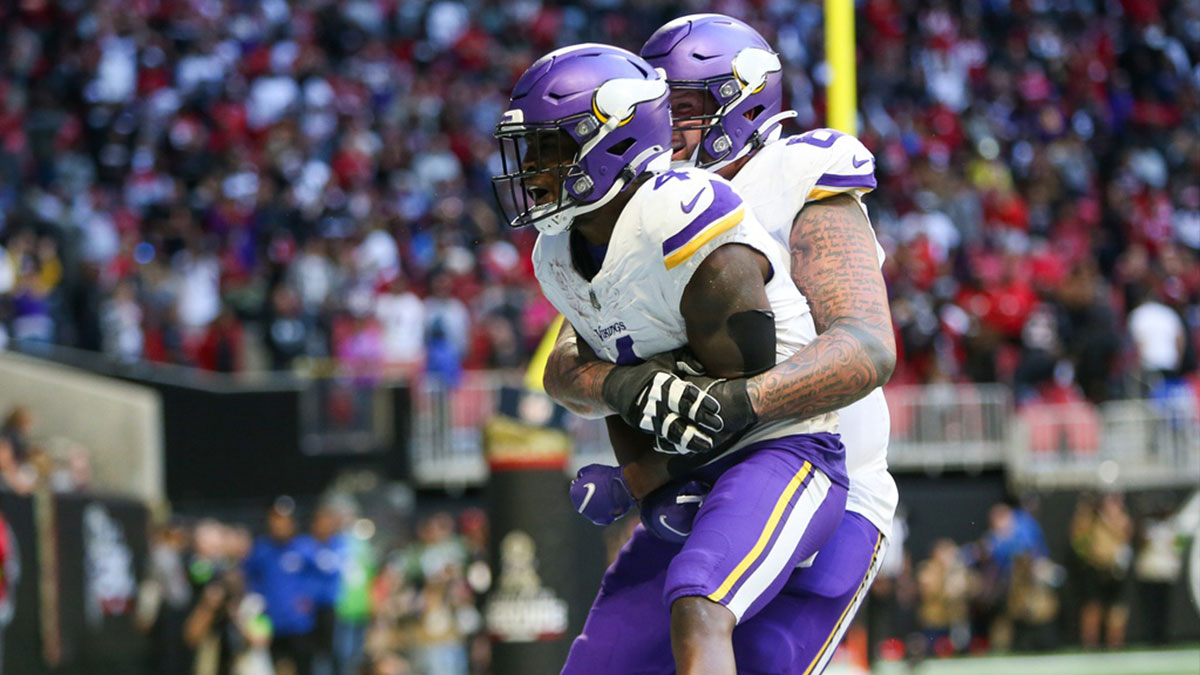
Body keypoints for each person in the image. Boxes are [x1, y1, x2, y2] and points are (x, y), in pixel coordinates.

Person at [542, 15, 897, 674]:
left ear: (742, 99)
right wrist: (628, 389)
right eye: (653, 107)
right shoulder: (643, 202)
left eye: (681, 108)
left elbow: (867, 346)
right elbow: (567, 363)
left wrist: (736, 402)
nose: (662, 128)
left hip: (822, 483)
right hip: (694, 486)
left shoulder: (795, 171)